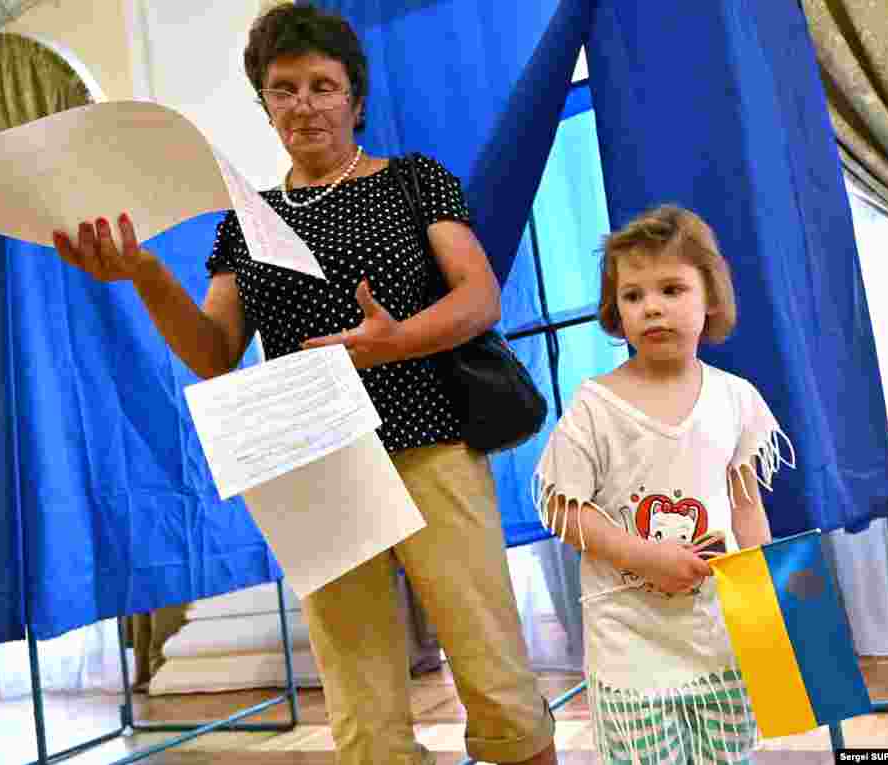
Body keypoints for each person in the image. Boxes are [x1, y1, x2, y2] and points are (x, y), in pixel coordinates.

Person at [49, 4, 557, 764]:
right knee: (360, 705)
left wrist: (392, 343)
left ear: (356, 98)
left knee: (493, 668)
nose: (304, 104)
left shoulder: (415, 180)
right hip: (314, 466)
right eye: (284, 88)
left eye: (323, 85)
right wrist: (146, 273)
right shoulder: (245, 221)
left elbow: (478, 297)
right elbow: (215, 351)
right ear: (265, 104)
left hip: (429, 443)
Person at [533, 205, 795, 764]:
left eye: (672, 289)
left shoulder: (736, 398)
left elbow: (747, 507)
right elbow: (562, 508)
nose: (651, 306)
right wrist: (640, 555)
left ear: (710, 298)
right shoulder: (594, 407)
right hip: (632, 642)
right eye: (633, 296)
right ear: (617, 311)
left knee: (729, 755)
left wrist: (764, 612)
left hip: (720, 635)